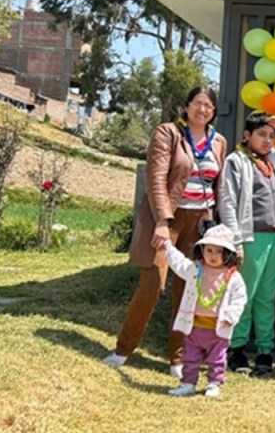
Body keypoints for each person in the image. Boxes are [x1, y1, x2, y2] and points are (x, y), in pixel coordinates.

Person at [102, 87, 227, 377]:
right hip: (168, 219)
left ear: (214, 111)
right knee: (153, 284)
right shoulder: (168, 133)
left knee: (189, 290)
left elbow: (218, 185)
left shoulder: (219, 141)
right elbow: (156, 178)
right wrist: (161, 220)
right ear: (186, 106)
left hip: (200, 225)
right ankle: (123, 349)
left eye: (208, 106)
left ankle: (178, 358)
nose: (203, 110)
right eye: (197, 104)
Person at [218, 113, 275, 377]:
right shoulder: (236, 161)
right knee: (244, 296)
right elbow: (227, 202)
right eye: (262, 135)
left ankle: (265, 350)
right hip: (251, 237)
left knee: (267, 297)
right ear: (247, 136)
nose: (268, 140)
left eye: (272, 136)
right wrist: (235, 240)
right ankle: (236, 349)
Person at [155, 224, 246, 398]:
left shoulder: (233, 276)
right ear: (201, 250)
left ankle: (214, 383)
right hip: (195, 325)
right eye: (209, 250)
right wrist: (167, 247)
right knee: (190, 356)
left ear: (228, 254)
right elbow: (179, 263)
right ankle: (188, 383)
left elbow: (239, 298)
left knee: (217, 358)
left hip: (218, 328)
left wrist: (231, 316)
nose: (213, 256)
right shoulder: (195, 270)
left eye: (218, 252)